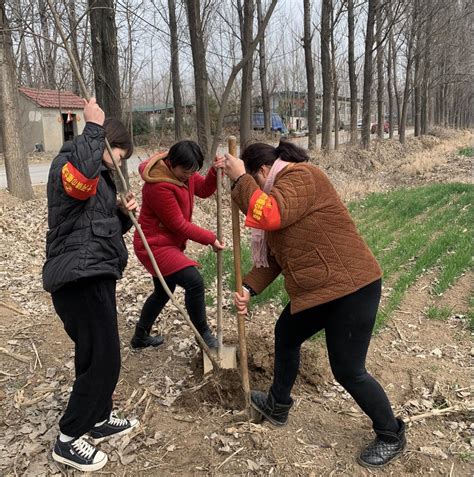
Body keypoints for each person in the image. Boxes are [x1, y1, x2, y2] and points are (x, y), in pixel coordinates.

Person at [222, 140, 406, 469]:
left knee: (349, 370)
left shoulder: (302, 178)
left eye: (252, 180)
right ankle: (278, 405)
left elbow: (270, 214)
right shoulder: (279, 197)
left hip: (353, 288)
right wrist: (248, 287)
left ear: (262, 171)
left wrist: (239, 180)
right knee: (287, 334)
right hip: (318, 291)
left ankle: (390, 433)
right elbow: (272, 260)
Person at [43, 98, 139, 472]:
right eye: (117, 150)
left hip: (94, 272)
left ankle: (98, 418)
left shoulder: (100, 179)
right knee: (104, 358)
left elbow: (98, 230)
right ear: (103, 142)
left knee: (93, 354)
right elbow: (78, 186)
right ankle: (68, 438)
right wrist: (94, 126)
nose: (119, 158)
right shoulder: (70, 164)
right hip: (77, 278)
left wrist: (122, 214)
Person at [131, 140, 225, 350]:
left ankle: (140, 336)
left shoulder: (185, 172)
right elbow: (178, 225)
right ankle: (203, 334)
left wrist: (214, 173)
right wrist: (210, 238)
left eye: (193, 171)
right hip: (153, 245)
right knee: (194, 282)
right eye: (185, 171)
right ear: (172, 163)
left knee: (163, 291)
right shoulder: (158, 186)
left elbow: (203, 189)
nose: (189, 176)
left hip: (168, 243)